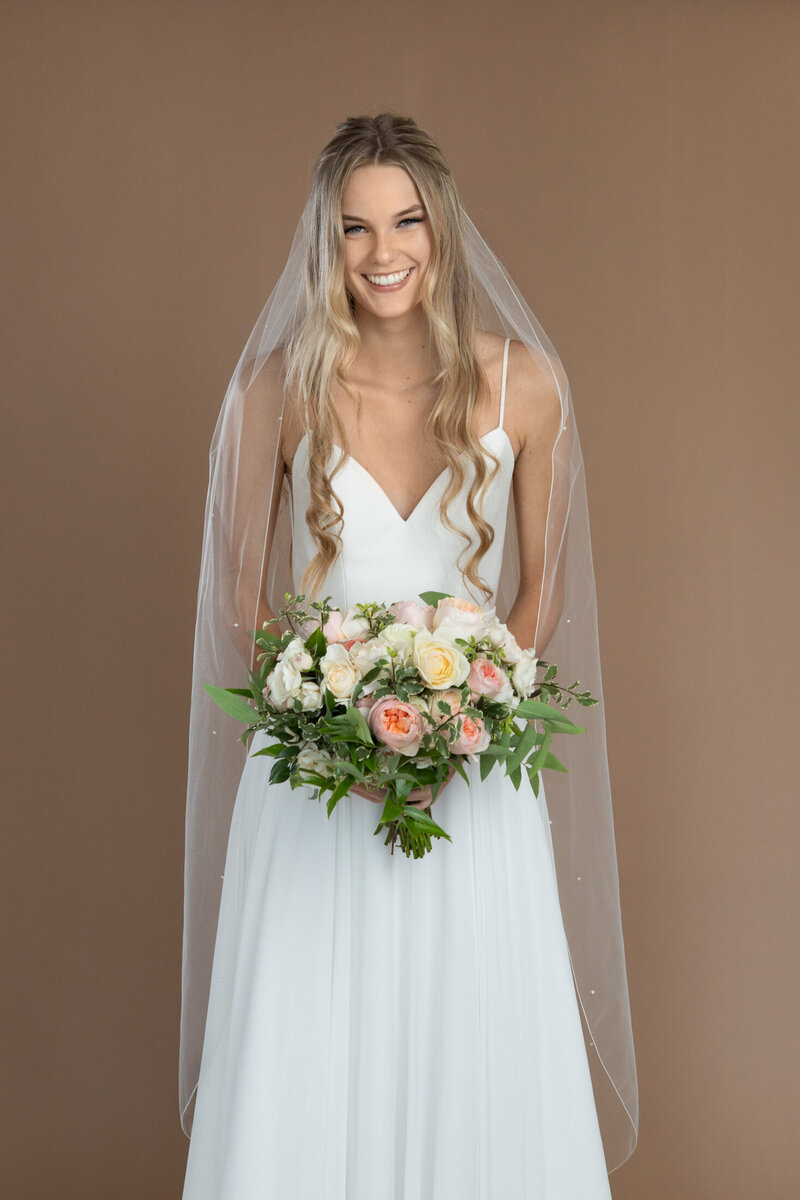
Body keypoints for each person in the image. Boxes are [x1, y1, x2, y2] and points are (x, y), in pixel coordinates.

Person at [180, 113, 638, 1198]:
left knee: (468, 1026)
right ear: (323, 244)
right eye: (353, 229)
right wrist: (339, 734)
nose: (382, 253)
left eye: (404, 222)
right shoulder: (273, 391)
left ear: (441, 229)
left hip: (470, 776)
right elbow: (243, 604)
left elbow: (539, 593)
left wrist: (460, 722)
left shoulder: (526, 385)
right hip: (314, 785)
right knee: (310, 1028)